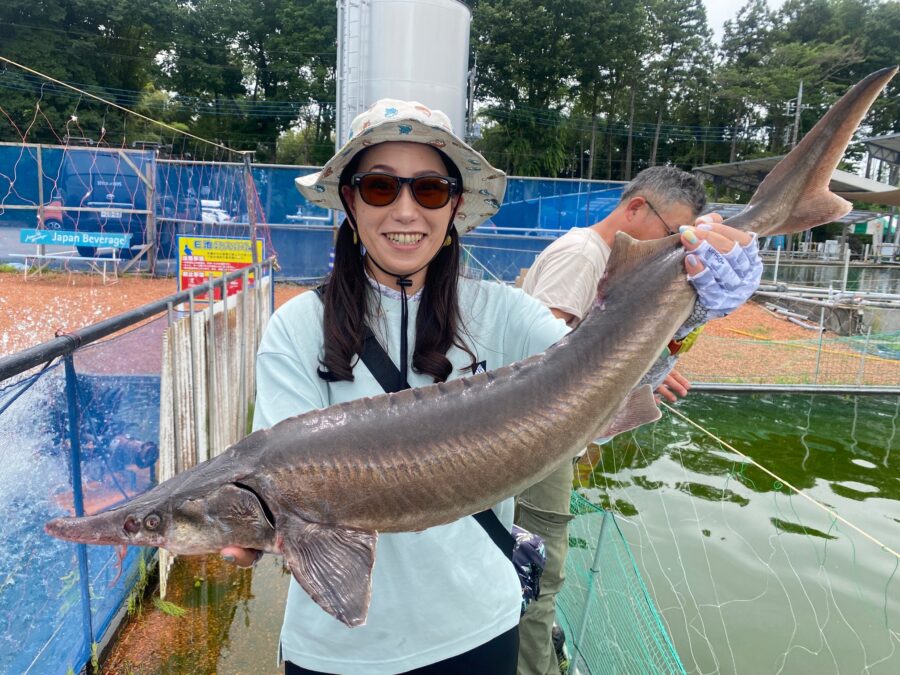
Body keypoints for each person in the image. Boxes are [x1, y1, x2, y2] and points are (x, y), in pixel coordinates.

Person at [221, 100, 760, 674]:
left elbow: (605, 384)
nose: (405, 210)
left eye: (428, 190)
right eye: (380, 188)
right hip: (338, 650)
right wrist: (254, 528)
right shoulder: (299, 326)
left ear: (454, 204)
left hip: (478, 627)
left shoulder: (505, 314)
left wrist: (693, 312)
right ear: (350, 202)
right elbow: (280, 481)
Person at [515, 167, 748, 675]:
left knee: (539, 583)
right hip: (535, 455)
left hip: (554, 448)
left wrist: (650, 369)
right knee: (535, 582)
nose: (674, 248)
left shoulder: (612, 263)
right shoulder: (583, 257)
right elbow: (546, 377)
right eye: (672, 234)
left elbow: (596, 366)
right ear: (637, 208)